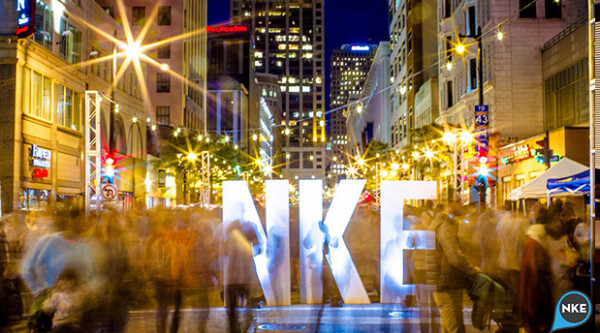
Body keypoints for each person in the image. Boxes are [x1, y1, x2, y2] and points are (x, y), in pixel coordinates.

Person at [519, 200, 580, 333]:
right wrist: (539, 317)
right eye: (562, 218)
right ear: (552, 220)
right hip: (547, 313)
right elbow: (535, 281)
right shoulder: (538, 241)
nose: (566, 222)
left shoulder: (562, 238)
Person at [429, 202, 481, 333]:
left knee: (448, 326)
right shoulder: (444, 227)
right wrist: (472, 270)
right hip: (446, 282)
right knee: (455, 327)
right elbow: (454, 256)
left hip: (443, 281)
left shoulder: (439, 225)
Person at [224, 202, 260, 333]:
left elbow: (224, 251)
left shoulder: (229, 229)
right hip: (245, 275)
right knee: (247, 307)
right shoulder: (249, 226)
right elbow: (258, 247)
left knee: (232, 312)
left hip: (232, 277)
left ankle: (235, 330)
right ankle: (246, 328)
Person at [43, 269, 85, 333]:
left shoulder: (79, 295)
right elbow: (48, 309)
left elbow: (48, 310)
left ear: (74, 282)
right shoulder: (57, 295)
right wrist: (47, 302)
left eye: (67, 281)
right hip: (62, 325)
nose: (64, 283)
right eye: (62, 280)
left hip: (69, 325)